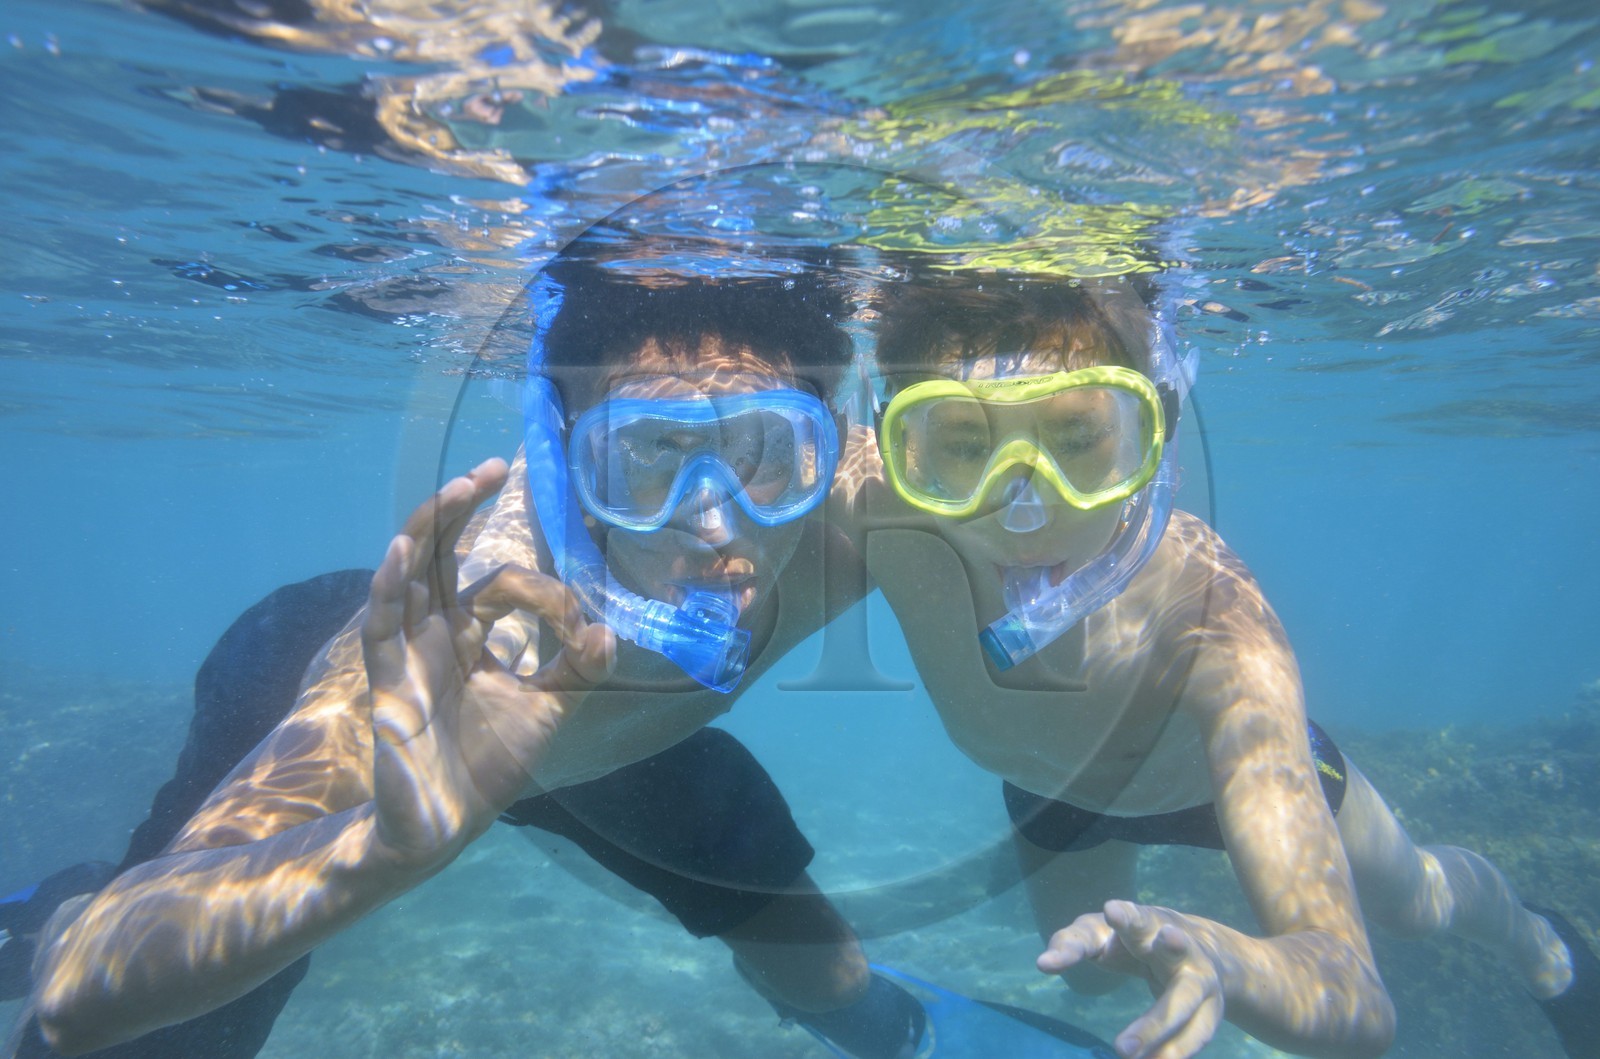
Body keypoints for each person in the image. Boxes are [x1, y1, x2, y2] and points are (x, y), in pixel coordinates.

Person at [14, 247, 932, 1059]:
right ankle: (40, 912)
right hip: (338, 672)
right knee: (194, 1021)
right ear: (563, 455)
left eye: (770, 448)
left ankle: (884, 1027)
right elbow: (78, 988)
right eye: (648, 454)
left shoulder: (871, 501)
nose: (715, 521)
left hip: (590, 738)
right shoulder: (478, 627)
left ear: (833, 438)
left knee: (811, 943)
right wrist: (376, 850)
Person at [843, 270, 1599, 1059]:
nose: (1025, 506)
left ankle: (1541, 941)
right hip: (1055, 792)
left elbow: (1355, 999)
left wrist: (1229, 960)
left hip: (1201, 781)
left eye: (1078, 441)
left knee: (1414, 899)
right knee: (1092, 974)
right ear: (901, 441)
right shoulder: (875, 499)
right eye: (962, 446)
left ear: (1155, 431)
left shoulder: (1217, 625)